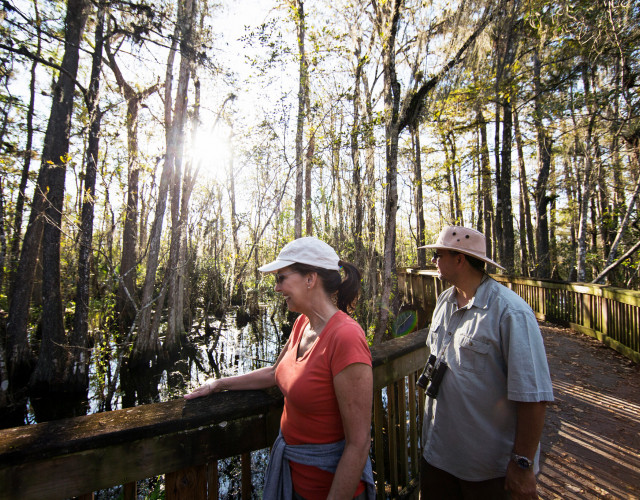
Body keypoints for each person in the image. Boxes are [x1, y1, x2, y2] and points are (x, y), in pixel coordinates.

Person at [185, 236, 375, 500]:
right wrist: (218, 384)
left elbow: (359, 443)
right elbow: (275, 373)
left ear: (310, 279)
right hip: (293, 481)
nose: (276, 288)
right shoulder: (302, 325)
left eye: (281, 278)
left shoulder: (346, 337)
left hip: (329, 490)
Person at [417, 226, 554, 500]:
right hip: (438, 455)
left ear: (460, 259)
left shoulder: (510, 313)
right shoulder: (445, 300)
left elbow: (533, 396)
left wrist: (523, 464)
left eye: (438, 254)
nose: (433, 261)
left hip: (485, 470)